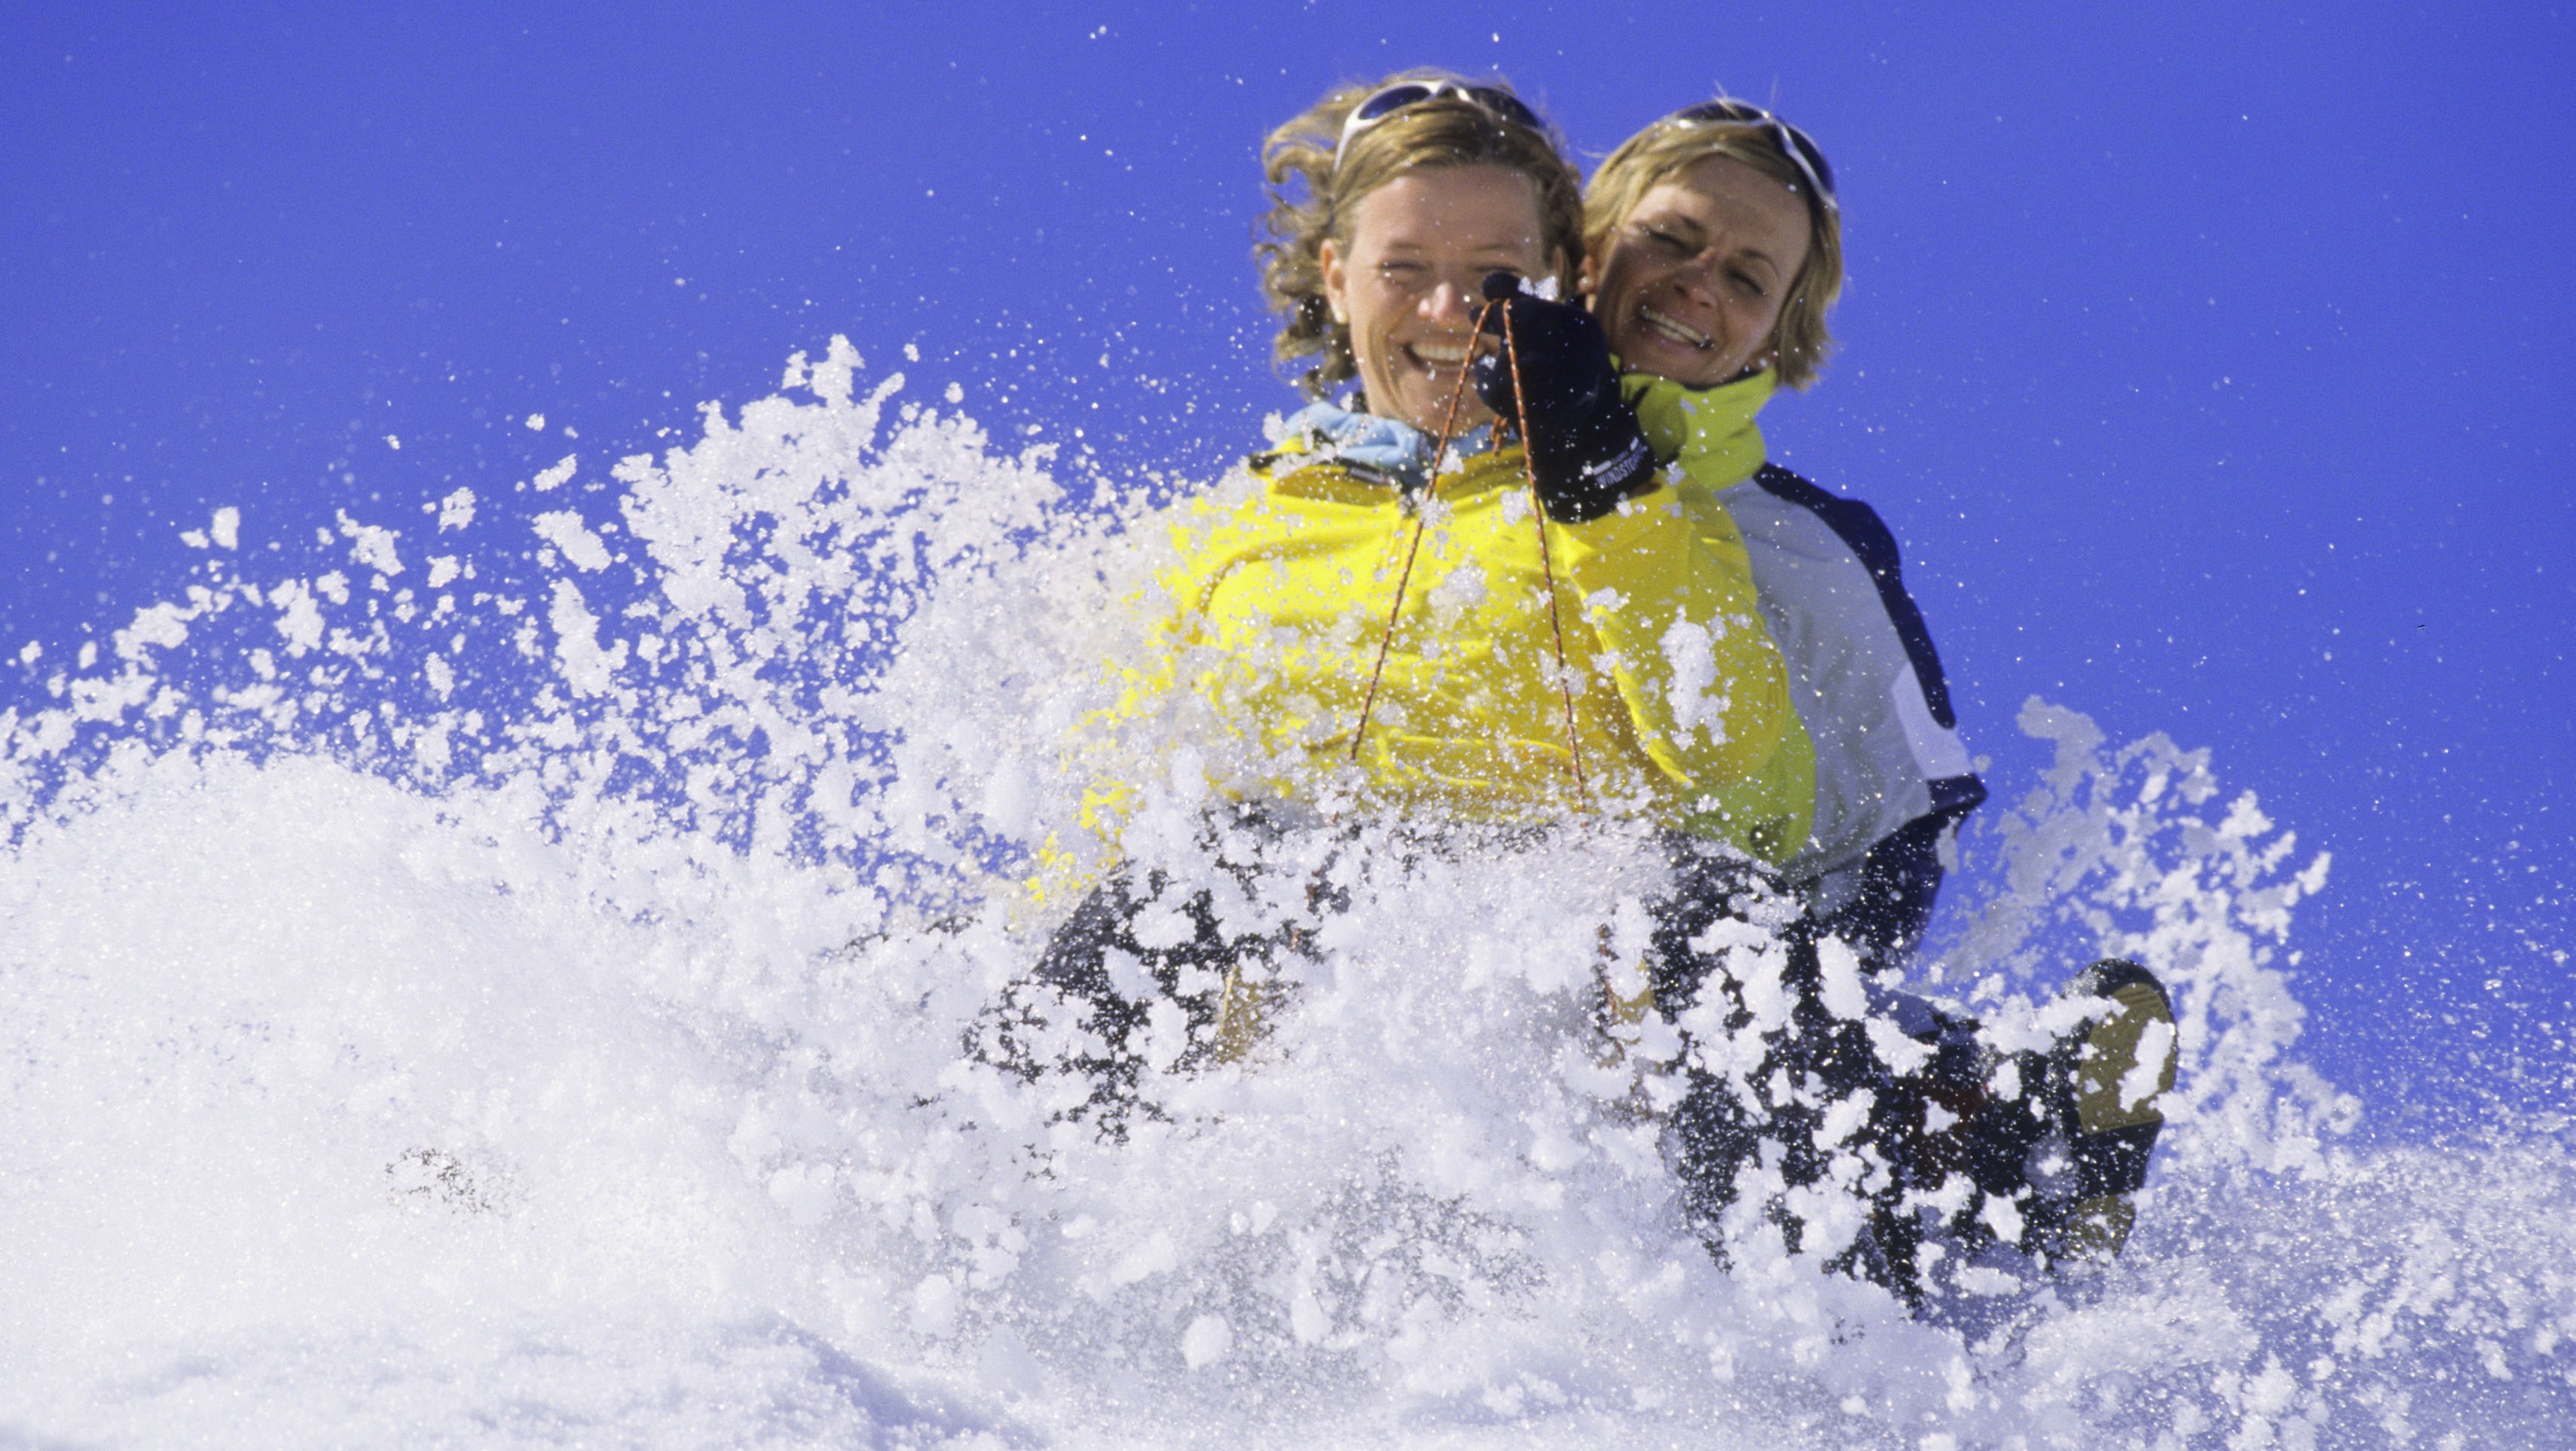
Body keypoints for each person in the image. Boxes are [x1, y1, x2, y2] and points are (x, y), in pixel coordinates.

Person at [981, 71, 1815, 1135]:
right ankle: (991, 1180)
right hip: (1262, 1044)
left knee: (1709, 907)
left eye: (1494, 276)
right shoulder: (1223, 533)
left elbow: (1729, 750)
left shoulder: (1645, 505)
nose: (1447, 311)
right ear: (1337, 278)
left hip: (1540, 1047)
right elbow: (1104, 820)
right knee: (1210, 854)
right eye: (1403, 269)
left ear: (1560, 282)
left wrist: (1598, 484)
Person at [1471, 98, 2179, 1298]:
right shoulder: (1436, 470)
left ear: (1777, 336)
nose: (1699, 283)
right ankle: (1993, 1123)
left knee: (1693, 915)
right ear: (1589, 249)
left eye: (1749, 278)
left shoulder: (1811, 550)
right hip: (1479, 984)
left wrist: (1604, 467)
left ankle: (1958, 1171)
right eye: (1672, 238)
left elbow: (1846, 830)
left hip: (1730, 985)